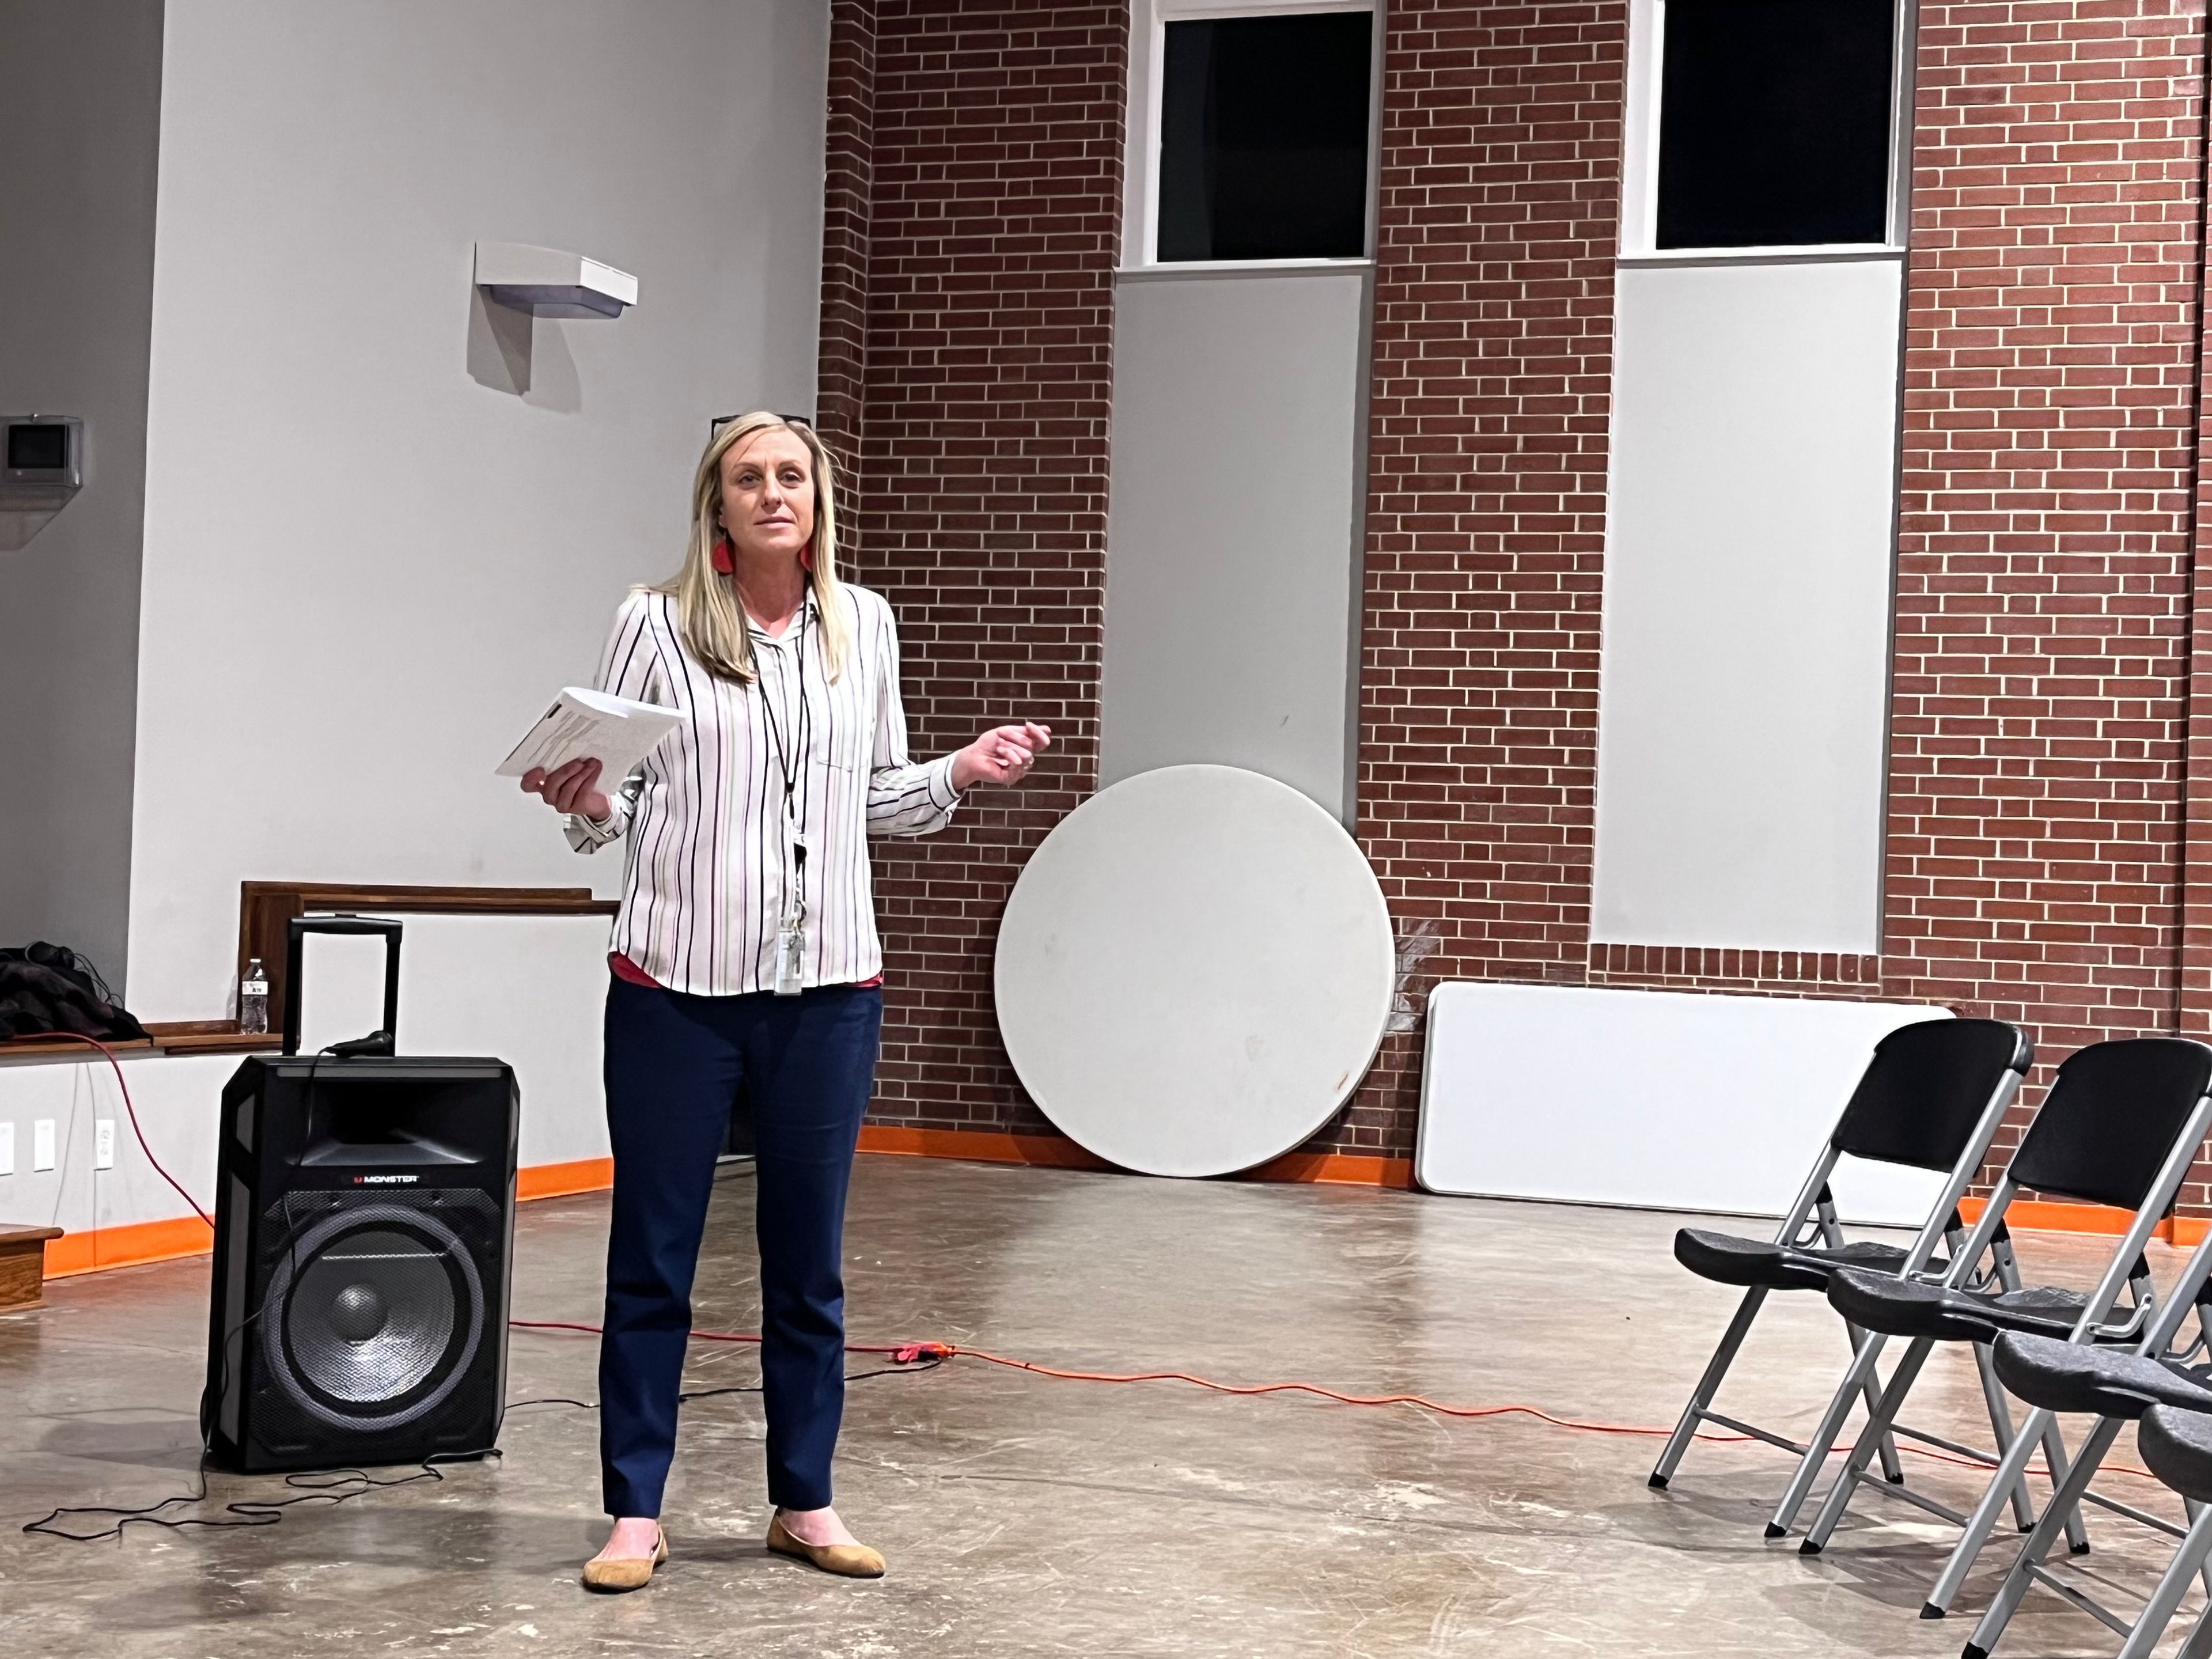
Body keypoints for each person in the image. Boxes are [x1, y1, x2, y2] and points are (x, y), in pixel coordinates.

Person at [520, 411, 1050, 1591]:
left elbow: (879, 800)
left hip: (826, 992)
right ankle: (633, 1514)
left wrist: (960, 772)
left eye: (791, 476)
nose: (772, 494)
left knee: (806, 1264)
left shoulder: (862, 626)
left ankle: (804, 1501)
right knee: (652, 1259)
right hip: (674, 985)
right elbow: (606, 801)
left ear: (819, 498)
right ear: (717, 504)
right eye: (749, 478)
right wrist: (584, 798)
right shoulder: (651, 624)